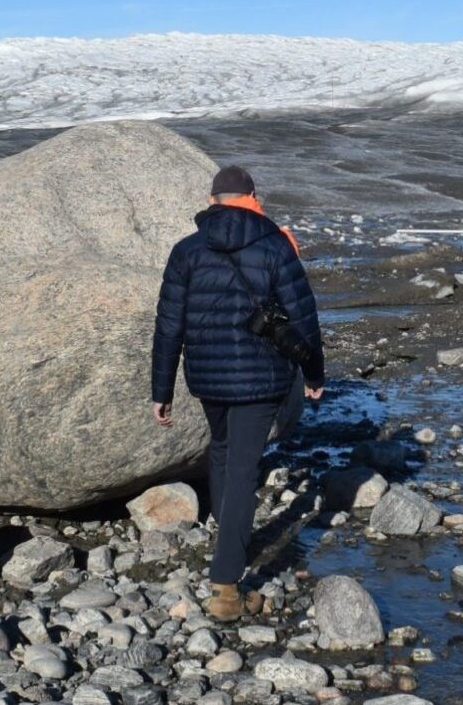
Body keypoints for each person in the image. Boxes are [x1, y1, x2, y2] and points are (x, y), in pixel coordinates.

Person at [150, 165, 325, 622]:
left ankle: (224, 536)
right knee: (244, 469)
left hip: (208, 377)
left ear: (212, 201)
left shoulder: (186, 251)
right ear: (252, 196)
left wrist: (161, 389)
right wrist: (313, 372)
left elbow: (169, 326)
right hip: (261, 377)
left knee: (223, 453)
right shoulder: (274, 246)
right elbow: (303, 317)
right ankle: (226, 588)